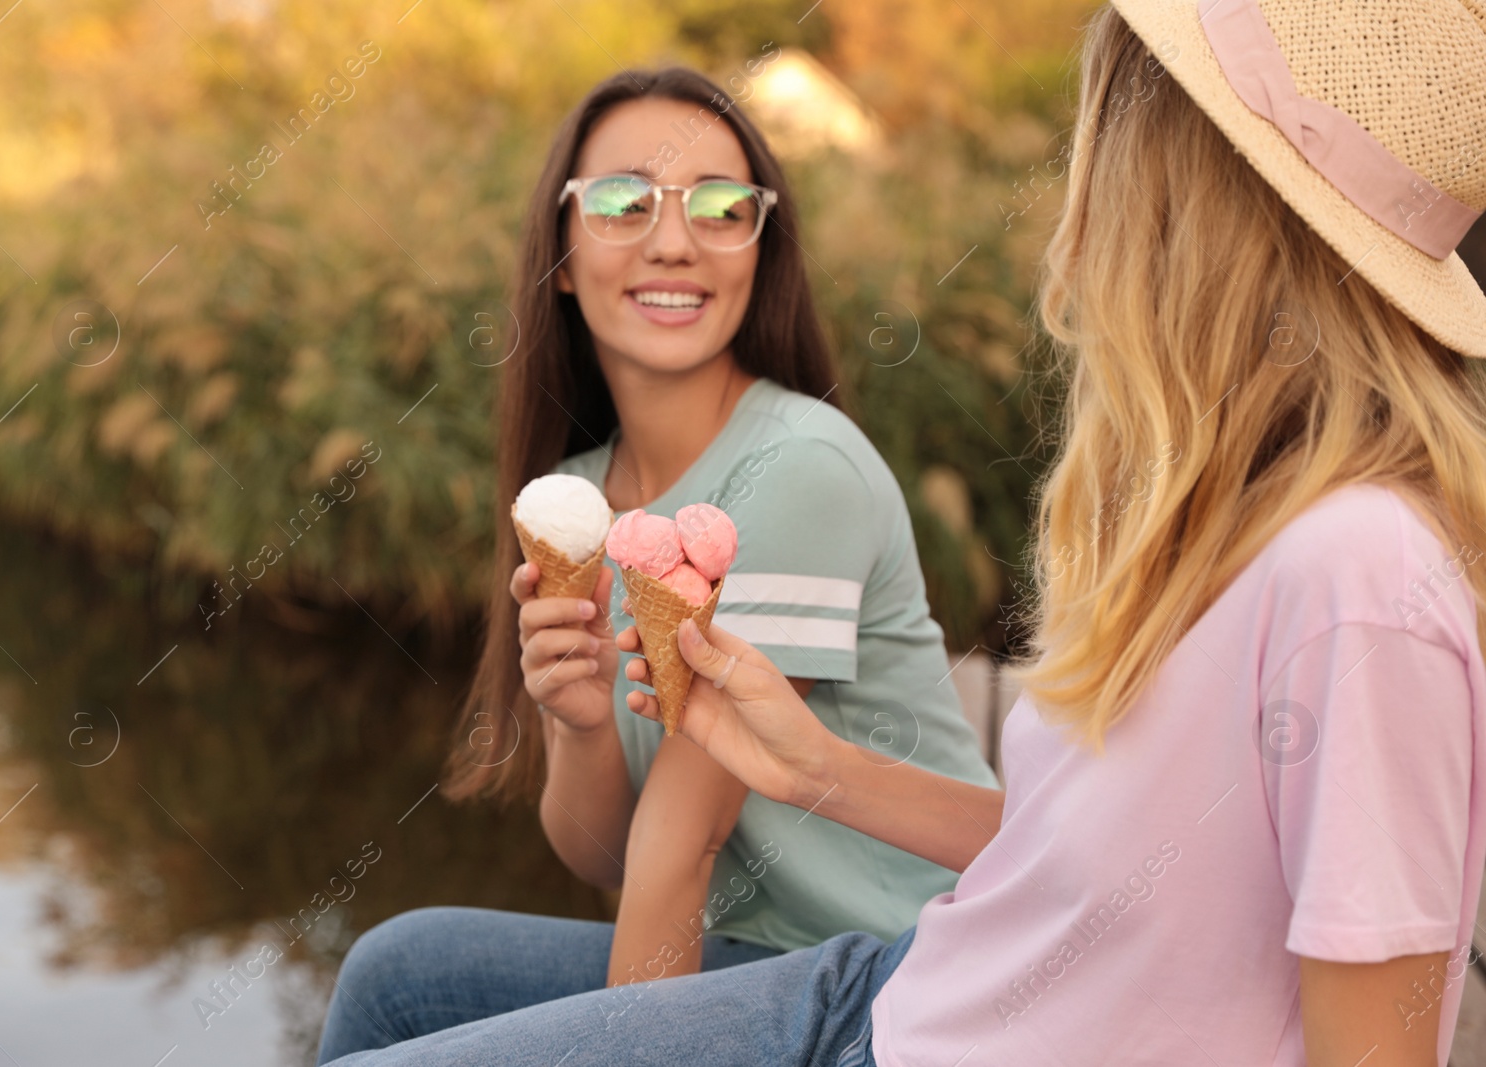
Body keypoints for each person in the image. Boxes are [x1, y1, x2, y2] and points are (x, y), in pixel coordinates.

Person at [318, 0, 1486, 1063]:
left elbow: (1374, 1044)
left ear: (1187, 207)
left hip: (887, 1006)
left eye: (1104, 144)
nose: (1071, 211)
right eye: (624, 203)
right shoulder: (1214, 524)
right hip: (908, 984)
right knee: (391, 975)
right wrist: (800, 762)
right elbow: (1067, 862)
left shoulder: (1361, 576)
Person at [314, 65, 995, 1063]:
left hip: (907, 973)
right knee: (397, 970)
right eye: (624, 201)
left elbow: (680, 847)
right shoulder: (577, 501)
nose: (673, 238)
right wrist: (580, 720)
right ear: (559, 252)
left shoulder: (800, 468)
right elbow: (608, 853)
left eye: (723, 207)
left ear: (760, 251)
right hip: (759, 958)